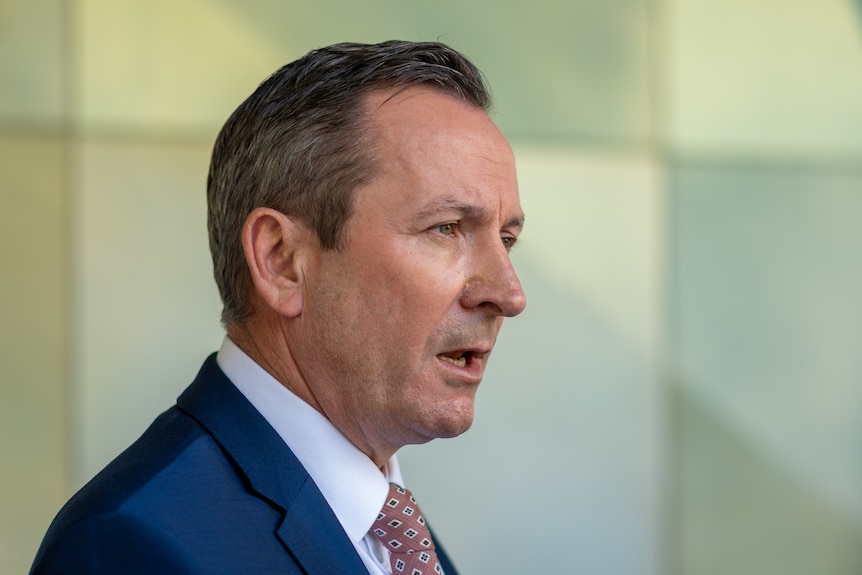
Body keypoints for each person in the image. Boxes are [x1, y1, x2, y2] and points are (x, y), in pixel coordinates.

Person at [31, 39, 526, 574]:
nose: (508, 293)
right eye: (447, 228)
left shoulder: (391, 530)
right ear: (281, 260)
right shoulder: (132, 546)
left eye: (507, 237)